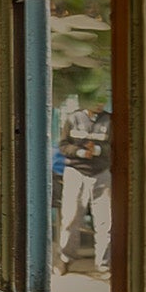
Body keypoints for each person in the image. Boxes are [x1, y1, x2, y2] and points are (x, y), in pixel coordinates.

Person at [56, 100, 111, 275]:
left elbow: (118, 145)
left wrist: (97, 151)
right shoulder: (74, 118)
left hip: (101, 171)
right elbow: (63, 145)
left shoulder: (110, 120)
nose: (99, 104)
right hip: (76, 171)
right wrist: (80, 152)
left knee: (105, 220)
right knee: (71, 217)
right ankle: (65, 259)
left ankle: (103, 264)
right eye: (96, 99)